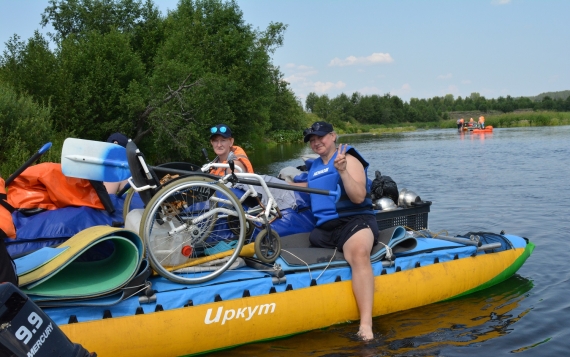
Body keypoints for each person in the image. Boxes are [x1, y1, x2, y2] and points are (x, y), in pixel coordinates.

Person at [294, 121, 379, 340]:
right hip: (325, 231)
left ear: (333, 136)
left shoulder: (348, 159)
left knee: (359, 254)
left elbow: (359, 197)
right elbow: (308, 187)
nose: (316, 142)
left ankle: (366, 326)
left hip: (353, 222)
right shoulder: (313, 167)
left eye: (320, 137)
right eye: (312, 140)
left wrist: (342, 172)